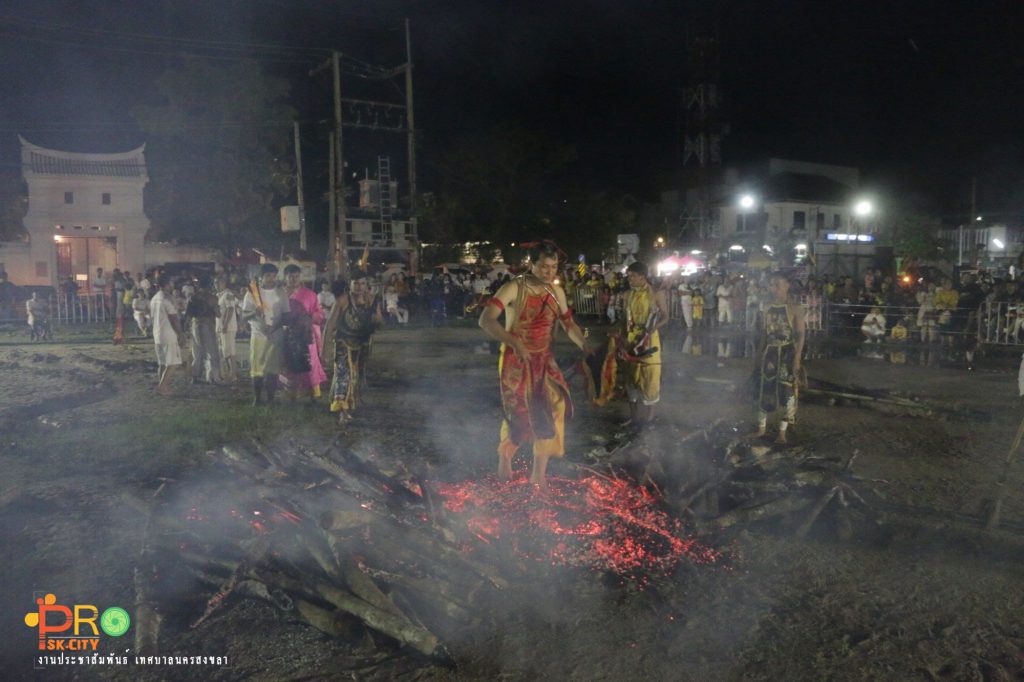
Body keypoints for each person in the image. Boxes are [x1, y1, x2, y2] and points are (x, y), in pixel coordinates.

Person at [478, 241, 588, 491]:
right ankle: (506, 456)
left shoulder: (555, 292)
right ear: (532, 264)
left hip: (544, 358)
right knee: (521, 413)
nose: (550, 272)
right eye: (544, 267)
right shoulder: (513, 288)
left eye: (554, 267)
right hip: (516, 360)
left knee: (554, 406)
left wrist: (583, 344)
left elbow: (569, 324)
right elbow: (486, 321)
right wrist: (513, 342)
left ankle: (538, 474)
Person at [751, 272, 806, 444]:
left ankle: (782, 432)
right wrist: (758, 357)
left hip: (788, 352)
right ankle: (761, 428)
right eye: (772, 284)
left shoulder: (795, 308)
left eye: (777, 284)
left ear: (787, 285)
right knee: (764, 389)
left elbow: (800, 335)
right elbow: (763, 335)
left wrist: (797, 358)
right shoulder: (766, 306)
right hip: (770, 354)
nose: (774, 288)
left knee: (788, 391)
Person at [322, 276, 383, 423]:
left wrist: (376, 320)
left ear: (366, 285)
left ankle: (351, 403)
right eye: (356, 283)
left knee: (356, 376)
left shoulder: (371, 301)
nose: (359, 286)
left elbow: (379, 322)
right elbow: (329, 325)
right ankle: (342, 410)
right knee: (343, 376)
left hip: (362, 345)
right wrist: (324, 349)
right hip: (344, 343)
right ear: (350, 284)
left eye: (362, 283)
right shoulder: (342, 300)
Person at [620, 261, 669, 425]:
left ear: (642, 276)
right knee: (631, 376)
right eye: (629, 276)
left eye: (633, 276)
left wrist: (652, 328)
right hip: (632, 338)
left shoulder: (656, 293)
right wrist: (622, 339)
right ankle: (634, 417)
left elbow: (665, 316)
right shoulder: (627, 295)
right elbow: (625, 319)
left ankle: (649, 419)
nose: (630, 279)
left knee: (650, 376)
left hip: (649, 339)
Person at [241, 263, 289, 405]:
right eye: (268, 275)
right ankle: (257, 398)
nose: (271, 279)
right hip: (258, 334)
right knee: (257, 368)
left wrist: (275, 327)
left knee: (273, 370)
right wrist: (254, 312)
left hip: (276, 335)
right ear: (261, 277)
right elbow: (244, 315)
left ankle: (271, 399)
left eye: (274, 276)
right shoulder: (253, 292)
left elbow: (286, 315)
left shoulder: (281, 292)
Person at [279, 264, 327, 401]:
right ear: (285, 277)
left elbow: (319, 314)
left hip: (305, 336)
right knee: (289, 363)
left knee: (310, 362)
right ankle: (291, 393)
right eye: (290, 276)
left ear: (300, 277)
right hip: (286, 335)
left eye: (296, 276)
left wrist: (309, 317)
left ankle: (313, 394)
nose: (293, 279)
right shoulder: (280, 294)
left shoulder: (310, 295)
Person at [185, 275, 222, 385]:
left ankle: (195, 376)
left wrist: (186, 329)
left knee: (197, 351)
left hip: (195, 324)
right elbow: (218, 314)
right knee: (212, 351)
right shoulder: (212, 298)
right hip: (208, 324)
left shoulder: (193, 297)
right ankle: (213, 376)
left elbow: (188, 316)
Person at [150, 274, 183, 396]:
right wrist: (180, 334)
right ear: (167, 284)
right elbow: (174, 318)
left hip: (157, 334)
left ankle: (163, 386)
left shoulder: (154, 298)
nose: (173, 285)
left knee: (162, 363)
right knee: (173, 363)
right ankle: (162, 386)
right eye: (171, 283)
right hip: (168, 334)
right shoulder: (167, 298)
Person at [215, 276, 239, 380]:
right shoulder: (219, 295)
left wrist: (225, 325)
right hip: (221, 327)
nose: (216, 285)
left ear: (224, 283)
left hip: (228, 327)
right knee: (225, 351)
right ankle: (231, 372)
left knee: (229, 351)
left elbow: (230, 309)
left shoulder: (228, 294)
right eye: (215, 283)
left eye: (218, 283)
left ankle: (233, 374)